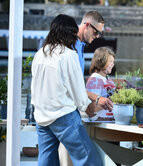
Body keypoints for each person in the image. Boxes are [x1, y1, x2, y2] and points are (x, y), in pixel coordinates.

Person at [31, 14, 102, 166]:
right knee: (89, 159)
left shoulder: (39, 54)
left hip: (41, 116)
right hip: (63, 116)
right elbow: (78, 91)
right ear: (69, 33)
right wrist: (89, 108)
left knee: (46, 160)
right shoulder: (69, 55)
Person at [76, 10, 113, 112]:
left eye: (100, 33)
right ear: (87, 25)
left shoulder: (80, 45)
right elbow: (72, 85)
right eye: (96, 32)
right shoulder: (72, 46)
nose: (97, 36)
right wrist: (97, 98)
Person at [86, 47, 116, 121]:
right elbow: (92, 108)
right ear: (101, 61)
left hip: (110, 121)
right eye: (110, 62)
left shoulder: (108, 79)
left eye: (113, 62)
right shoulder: (95, 79)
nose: (112, 64)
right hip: (101, 122)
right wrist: (111, 100)